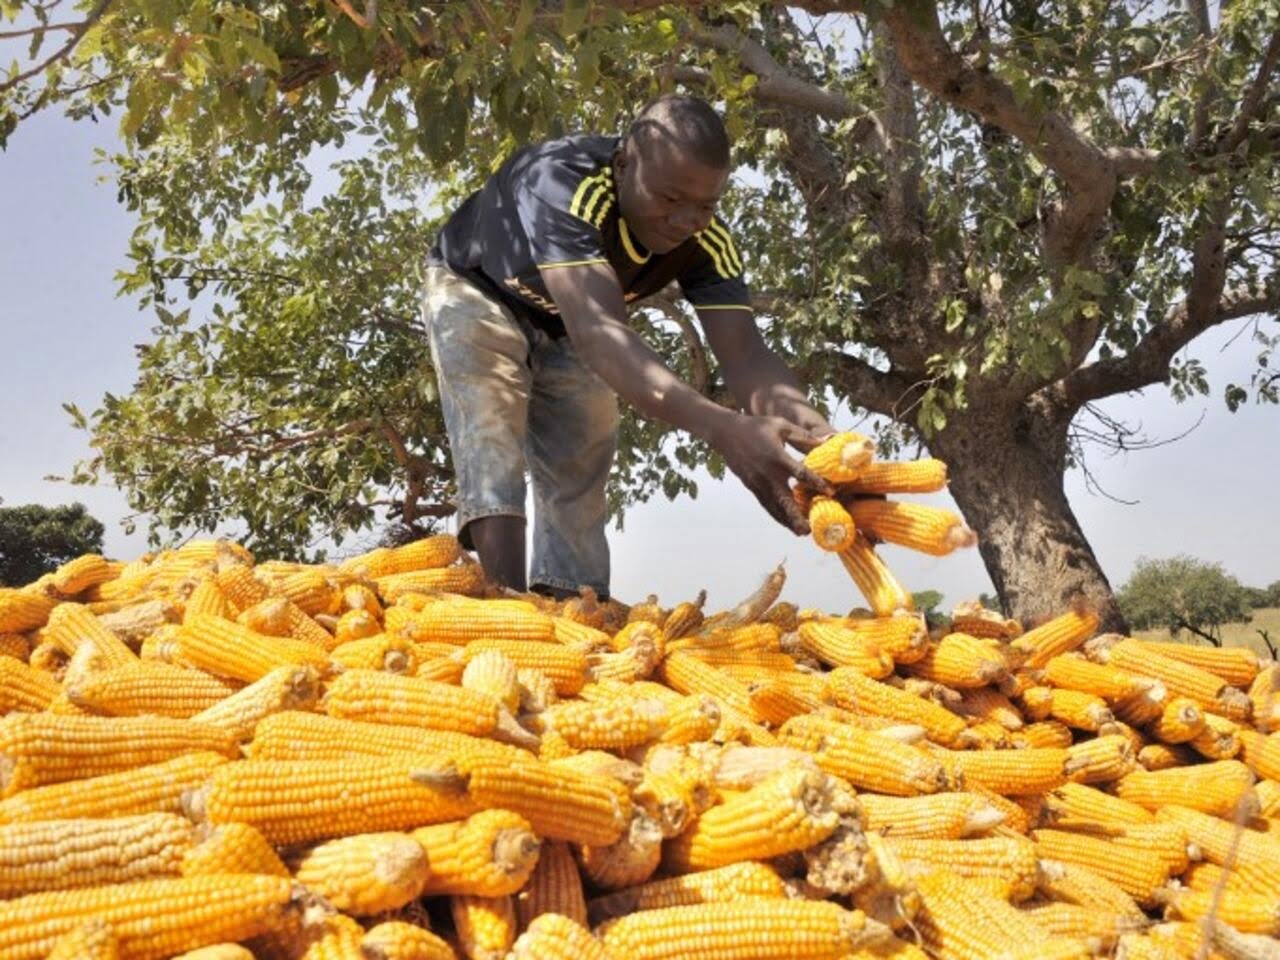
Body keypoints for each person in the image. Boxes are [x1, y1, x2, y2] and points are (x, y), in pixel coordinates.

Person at [422, 94, 836, 600]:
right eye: (669, 198)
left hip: (572, 319)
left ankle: (572, 606)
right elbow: (600, 332)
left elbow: (747, 356)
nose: (686, 219)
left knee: (583, 455)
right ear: (623, 164)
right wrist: (724, 428)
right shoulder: (561, 184)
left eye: (706, 205)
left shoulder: (708, 241)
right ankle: (503, 611)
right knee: (492, 437)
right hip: (479, 289)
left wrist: (816, 436)